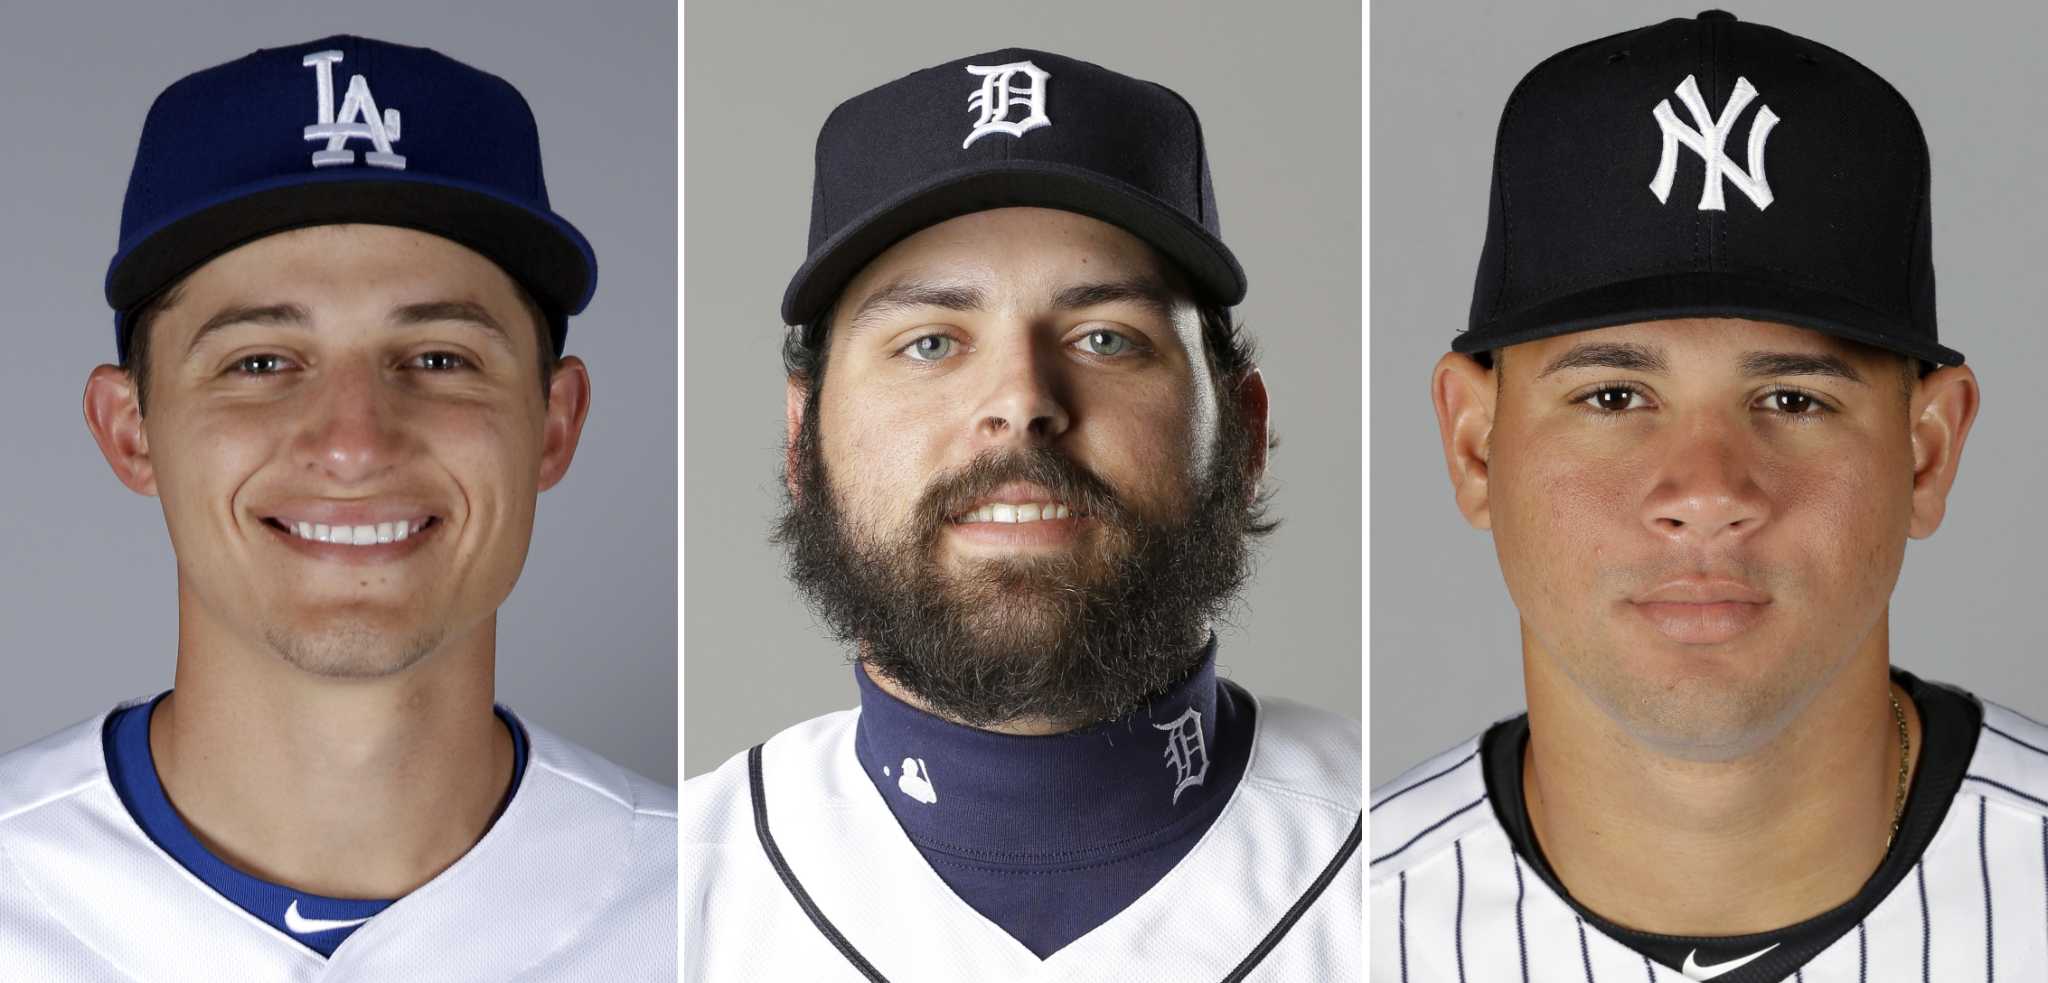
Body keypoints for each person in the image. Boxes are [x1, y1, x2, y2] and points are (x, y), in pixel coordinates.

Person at [1364, 10, 2048, 981]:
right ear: (1473, 444)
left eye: (1790, 397)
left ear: (1924, 454)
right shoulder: (1325, 934)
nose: (1704, 492)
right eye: (1611, 395)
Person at [0, 36, 674, 978]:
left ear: (553, 424)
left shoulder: (714, 916)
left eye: (441, 358)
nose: (355, 443)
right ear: (131, 431)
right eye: (260, 363)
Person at [683, 48, 1360, 980]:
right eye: (929, 342)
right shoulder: (677, 897)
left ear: (1242, 435)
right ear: (805, 442)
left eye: (1105, 337)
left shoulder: (1409, 872)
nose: (1021, 400)